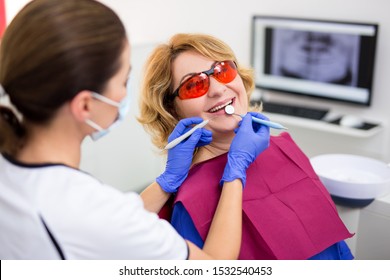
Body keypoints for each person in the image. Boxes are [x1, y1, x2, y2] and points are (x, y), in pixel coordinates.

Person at [0, 0, 270, 259]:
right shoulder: (84, 207)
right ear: (85, 105)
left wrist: (166, 181)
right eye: (124, 80)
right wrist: (236, 171)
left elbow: (109, 224)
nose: (218, 89)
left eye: (222, 71)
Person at [138, 33, 354, 260]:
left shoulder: (284, 147)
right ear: (172, 110)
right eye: (193, 85)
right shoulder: (191, 200)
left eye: (222, 70)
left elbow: (334, 244)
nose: (218, 89)